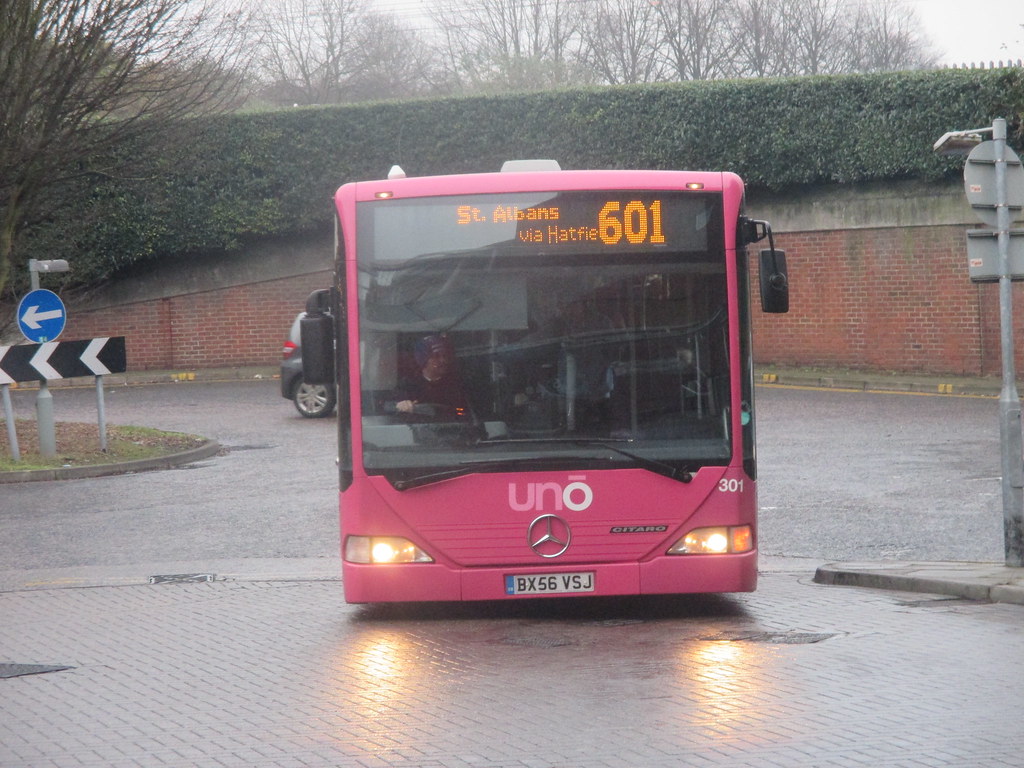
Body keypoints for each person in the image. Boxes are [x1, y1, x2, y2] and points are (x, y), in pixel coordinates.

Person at [393, 334, 469, 418]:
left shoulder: (457, 384)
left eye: (444, 356)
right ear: (423, 360)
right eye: (436, 356)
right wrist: (403, 405)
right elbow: (396, 412)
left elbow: (464, 412)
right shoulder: (407, 386)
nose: (443, 360)